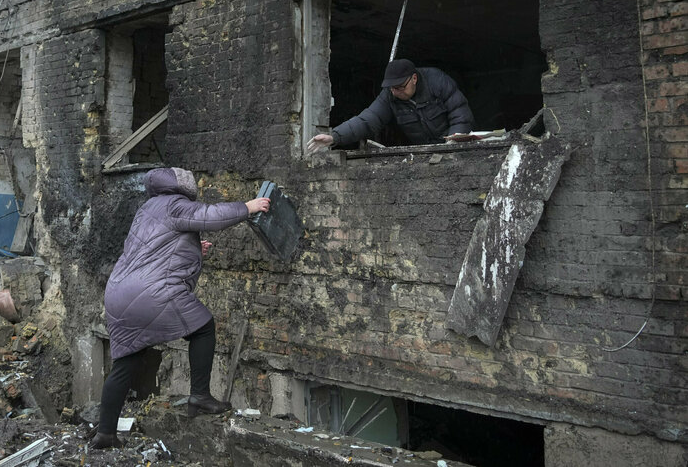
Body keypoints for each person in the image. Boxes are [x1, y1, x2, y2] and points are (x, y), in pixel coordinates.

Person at [90, 167, 271, 449]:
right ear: (183, 186)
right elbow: (210, 217)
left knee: (127, 361)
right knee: (203, 328)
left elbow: (156, 250)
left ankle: (105, 433)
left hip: (118, 292)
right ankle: (199, 394)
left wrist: (196, 250)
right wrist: (248, 207)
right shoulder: (175, 204)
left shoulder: (147, 209)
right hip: (151, 292)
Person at [307, 59, 475, 153]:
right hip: (427, 151)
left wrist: (453, 145)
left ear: (414, 79)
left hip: (455, 148)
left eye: (400, 87)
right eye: (392, 88)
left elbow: (460, 114)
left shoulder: (437, 81)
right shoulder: (390, 95)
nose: (395, 92)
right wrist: (335, 137)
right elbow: (368, 120)